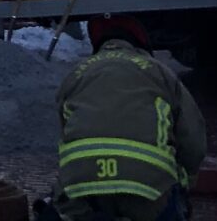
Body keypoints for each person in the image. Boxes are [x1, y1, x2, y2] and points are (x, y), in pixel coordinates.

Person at [46, 37, 207, 220]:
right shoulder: (160, 71)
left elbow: (64, 129)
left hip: (82, 185)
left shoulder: (75, 74)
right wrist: (185, 182)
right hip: (147, 185)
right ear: (139, 48)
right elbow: (193, 139)